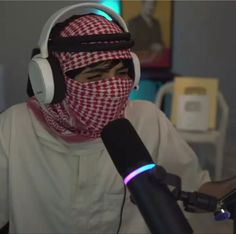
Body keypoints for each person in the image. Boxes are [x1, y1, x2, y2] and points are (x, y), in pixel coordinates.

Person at [0, 3, 235, 234]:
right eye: (96, 74)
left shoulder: (148, 119)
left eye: (121, 73)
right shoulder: (14, 127)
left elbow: (195, 193)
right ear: (51, 82)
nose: (113, 88)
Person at [127, 0, 165, 65]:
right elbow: (131, 44)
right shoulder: (133, 22)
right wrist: (151, 46)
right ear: (143, 4)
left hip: (155, 63)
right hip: (139, 62)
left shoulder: (156, 23)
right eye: (149, 4)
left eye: (153, 5)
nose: (151, 7)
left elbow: (160, 41)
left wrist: (160, 46)